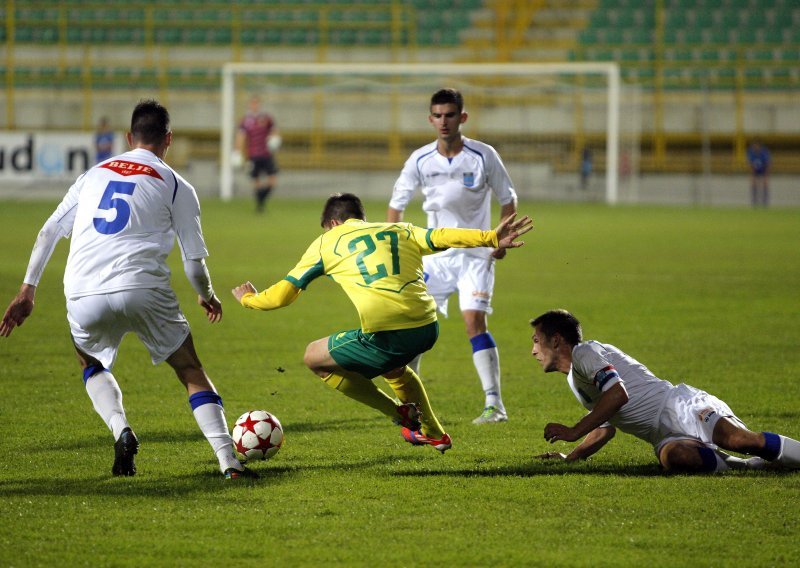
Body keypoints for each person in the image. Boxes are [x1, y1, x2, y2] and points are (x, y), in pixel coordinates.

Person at [1, 99, 254, 480]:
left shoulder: (92, 174)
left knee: (90, 362)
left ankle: (122, 430)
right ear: (168, 139)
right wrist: (207, 294)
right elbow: (193, 263)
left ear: (127, 137)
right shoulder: (175, 184)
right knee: (189, 369)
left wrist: (28, 289)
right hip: (142, 288)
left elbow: (49, 230)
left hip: (83, 289)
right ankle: (228, 462)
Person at [232, 193, 532, 453]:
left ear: (332, 223)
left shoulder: (326, 243)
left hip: (388, 332)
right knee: (394, 368)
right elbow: (441, 236)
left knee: (314, 357)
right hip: (427, 328)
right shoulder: (399, 229)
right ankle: (435, 433)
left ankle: (398, 414)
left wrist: (249, 299)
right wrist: (490, 237)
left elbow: (282, 296)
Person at [387, 88, 519, 425]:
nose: (443, 121)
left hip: (476, 255)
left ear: (462, 117)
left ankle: (494, 405)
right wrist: (396, 248)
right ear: (430, 119)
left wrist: (500, 240)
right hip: (435, 258)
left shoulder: (483, 155)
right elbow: (396, 206)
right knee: (414, 325)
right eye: (437, 115)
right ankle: (409, 402)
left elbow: (508, 198)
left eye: (450, 115)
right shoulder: (420, 160)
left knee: (474, 321)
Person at [530, 309, 800, 473]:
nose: (533, 351)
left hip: (682, 407)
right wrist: (572, 456)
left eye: (536, 341)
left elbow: (618, 394)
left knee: (742, 441)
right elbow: (605, 425)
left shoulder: (585, 353)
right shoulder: (575, 380)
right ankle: (747, 466)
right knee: (676, 458)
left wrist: (573, 430)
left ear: (555, 340)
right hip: (662, 435)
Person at [234, 95, 280, 213]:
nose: (254, 106)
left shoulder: (266, 118)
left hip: (266, 154)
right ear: (249, 106)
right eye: (252, 104)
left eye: (256, 104)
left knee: (272, 181)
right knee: (256, 182)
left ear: (259, 105)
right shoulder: (245, 121)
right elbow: (241, 137)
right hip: (253, 155)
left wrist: (275, 139)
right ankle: (260, 207)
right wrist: (237, 151)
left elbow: (274, 131)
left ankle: (261, 202)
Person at [746, 140, 770, 207]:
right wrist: (752, 177)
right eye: (754, 146)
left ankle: (765, 203)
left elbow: (767, 165)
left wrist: (766, 177)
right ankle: (754, 203)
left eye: (756, 146)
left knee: (765, 186)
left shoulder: (764, 153)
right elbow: (751, 166)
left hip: (763, 171)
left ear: (759, 146)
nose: (755, 148)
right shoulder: (751, 152)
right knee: (754, 186)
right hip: (755, 172)